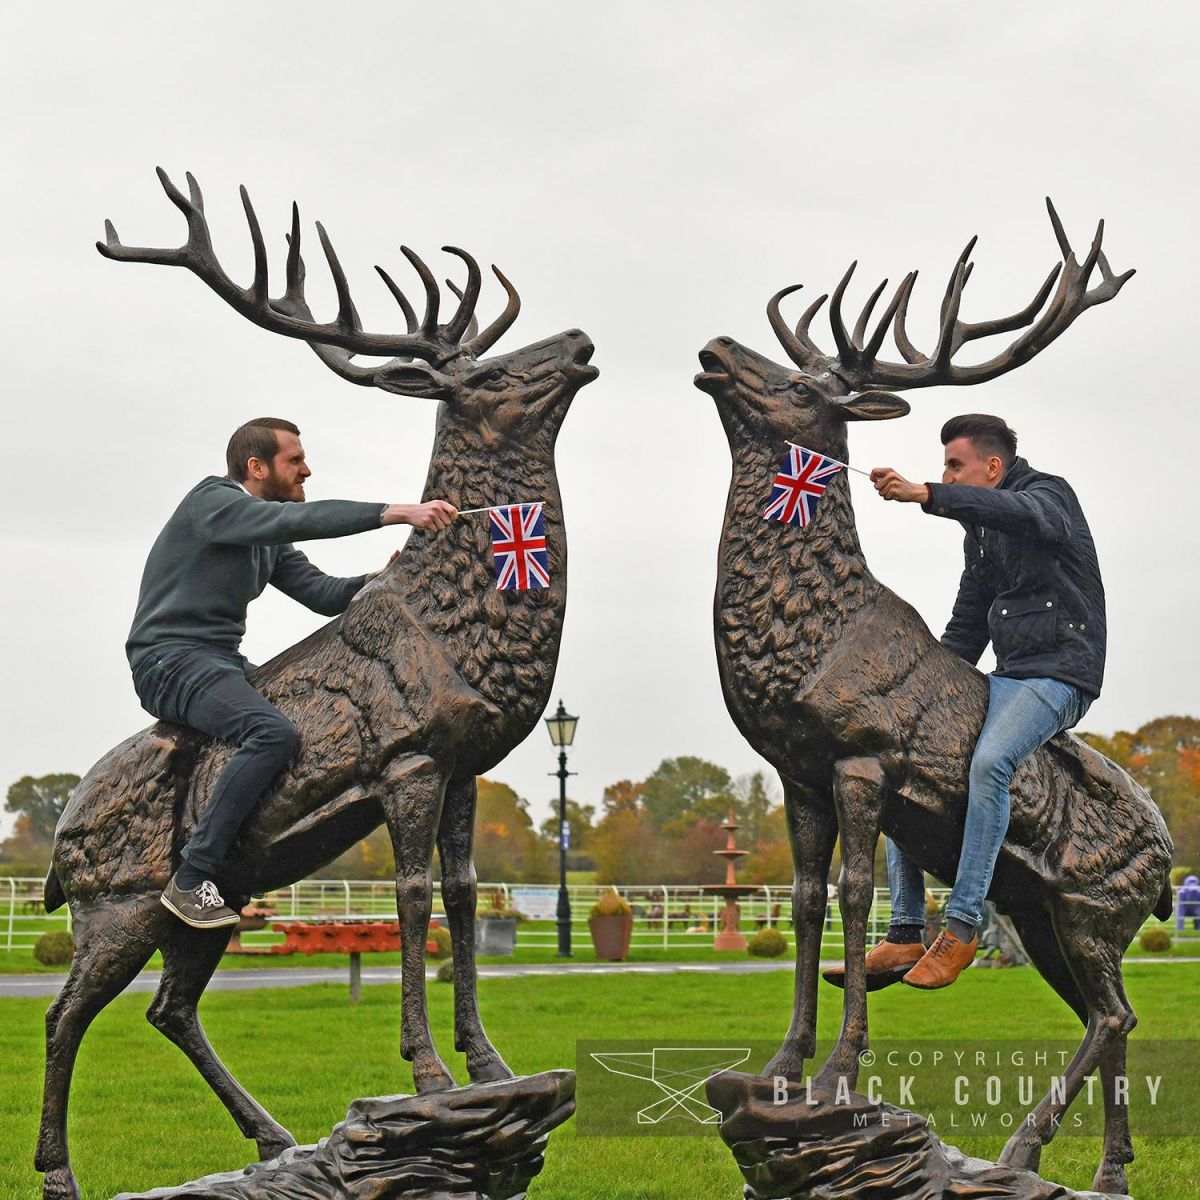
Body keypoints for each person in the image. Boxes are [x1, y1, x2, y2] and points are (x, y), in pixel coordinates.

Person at [128, 417, 457, 930]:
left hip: (219, 660)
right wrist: (396, 512)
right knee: (270, 731)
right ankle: (192, 878)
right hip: (168, 660)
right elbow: (291, 522)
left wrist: (385, 578)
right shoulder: (212, 503)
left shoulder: (266, 539)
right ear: (256, 468)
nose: (307, 469)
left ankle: (239, 861)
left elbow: (322, 594)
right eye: (295, 460)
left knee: (307, 721)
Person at [833, 413, 1104, 990]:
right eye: (943, 468)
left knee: (990, 764)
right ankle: (905, 930)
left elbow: (1025, 516)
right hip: (1005, 676)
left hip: (1060, 676)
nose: (947, 474)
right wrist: (917, 683)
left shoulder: (1046, 496)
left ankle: (960, 928)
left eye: (955, 465)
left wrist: (928, 494)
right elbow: (967, 622)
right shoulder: (978, 533)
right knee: (902, 755)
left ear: (994, 467)